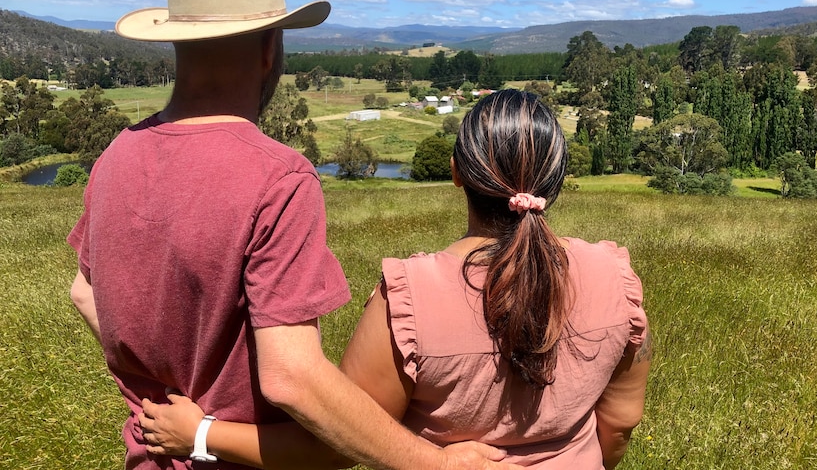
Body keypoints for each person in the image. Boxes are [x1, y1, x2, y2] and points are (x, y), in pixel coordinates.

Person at [68, 0, 514, 470]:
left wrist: (163, 392)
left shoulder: (115, 156)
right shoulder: (278, 177)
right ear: (269, 48)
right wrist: (435, 464)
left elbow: (85, 292)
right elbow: (291, 377)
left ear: (177, 44)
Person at [139, 89, 652, 469]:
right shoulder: (617, 278)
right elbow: (621, 422)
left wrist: (200, 435)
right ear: (556, 181)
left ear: (456, 173)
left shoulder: (410, 297)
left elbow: (332, 446)